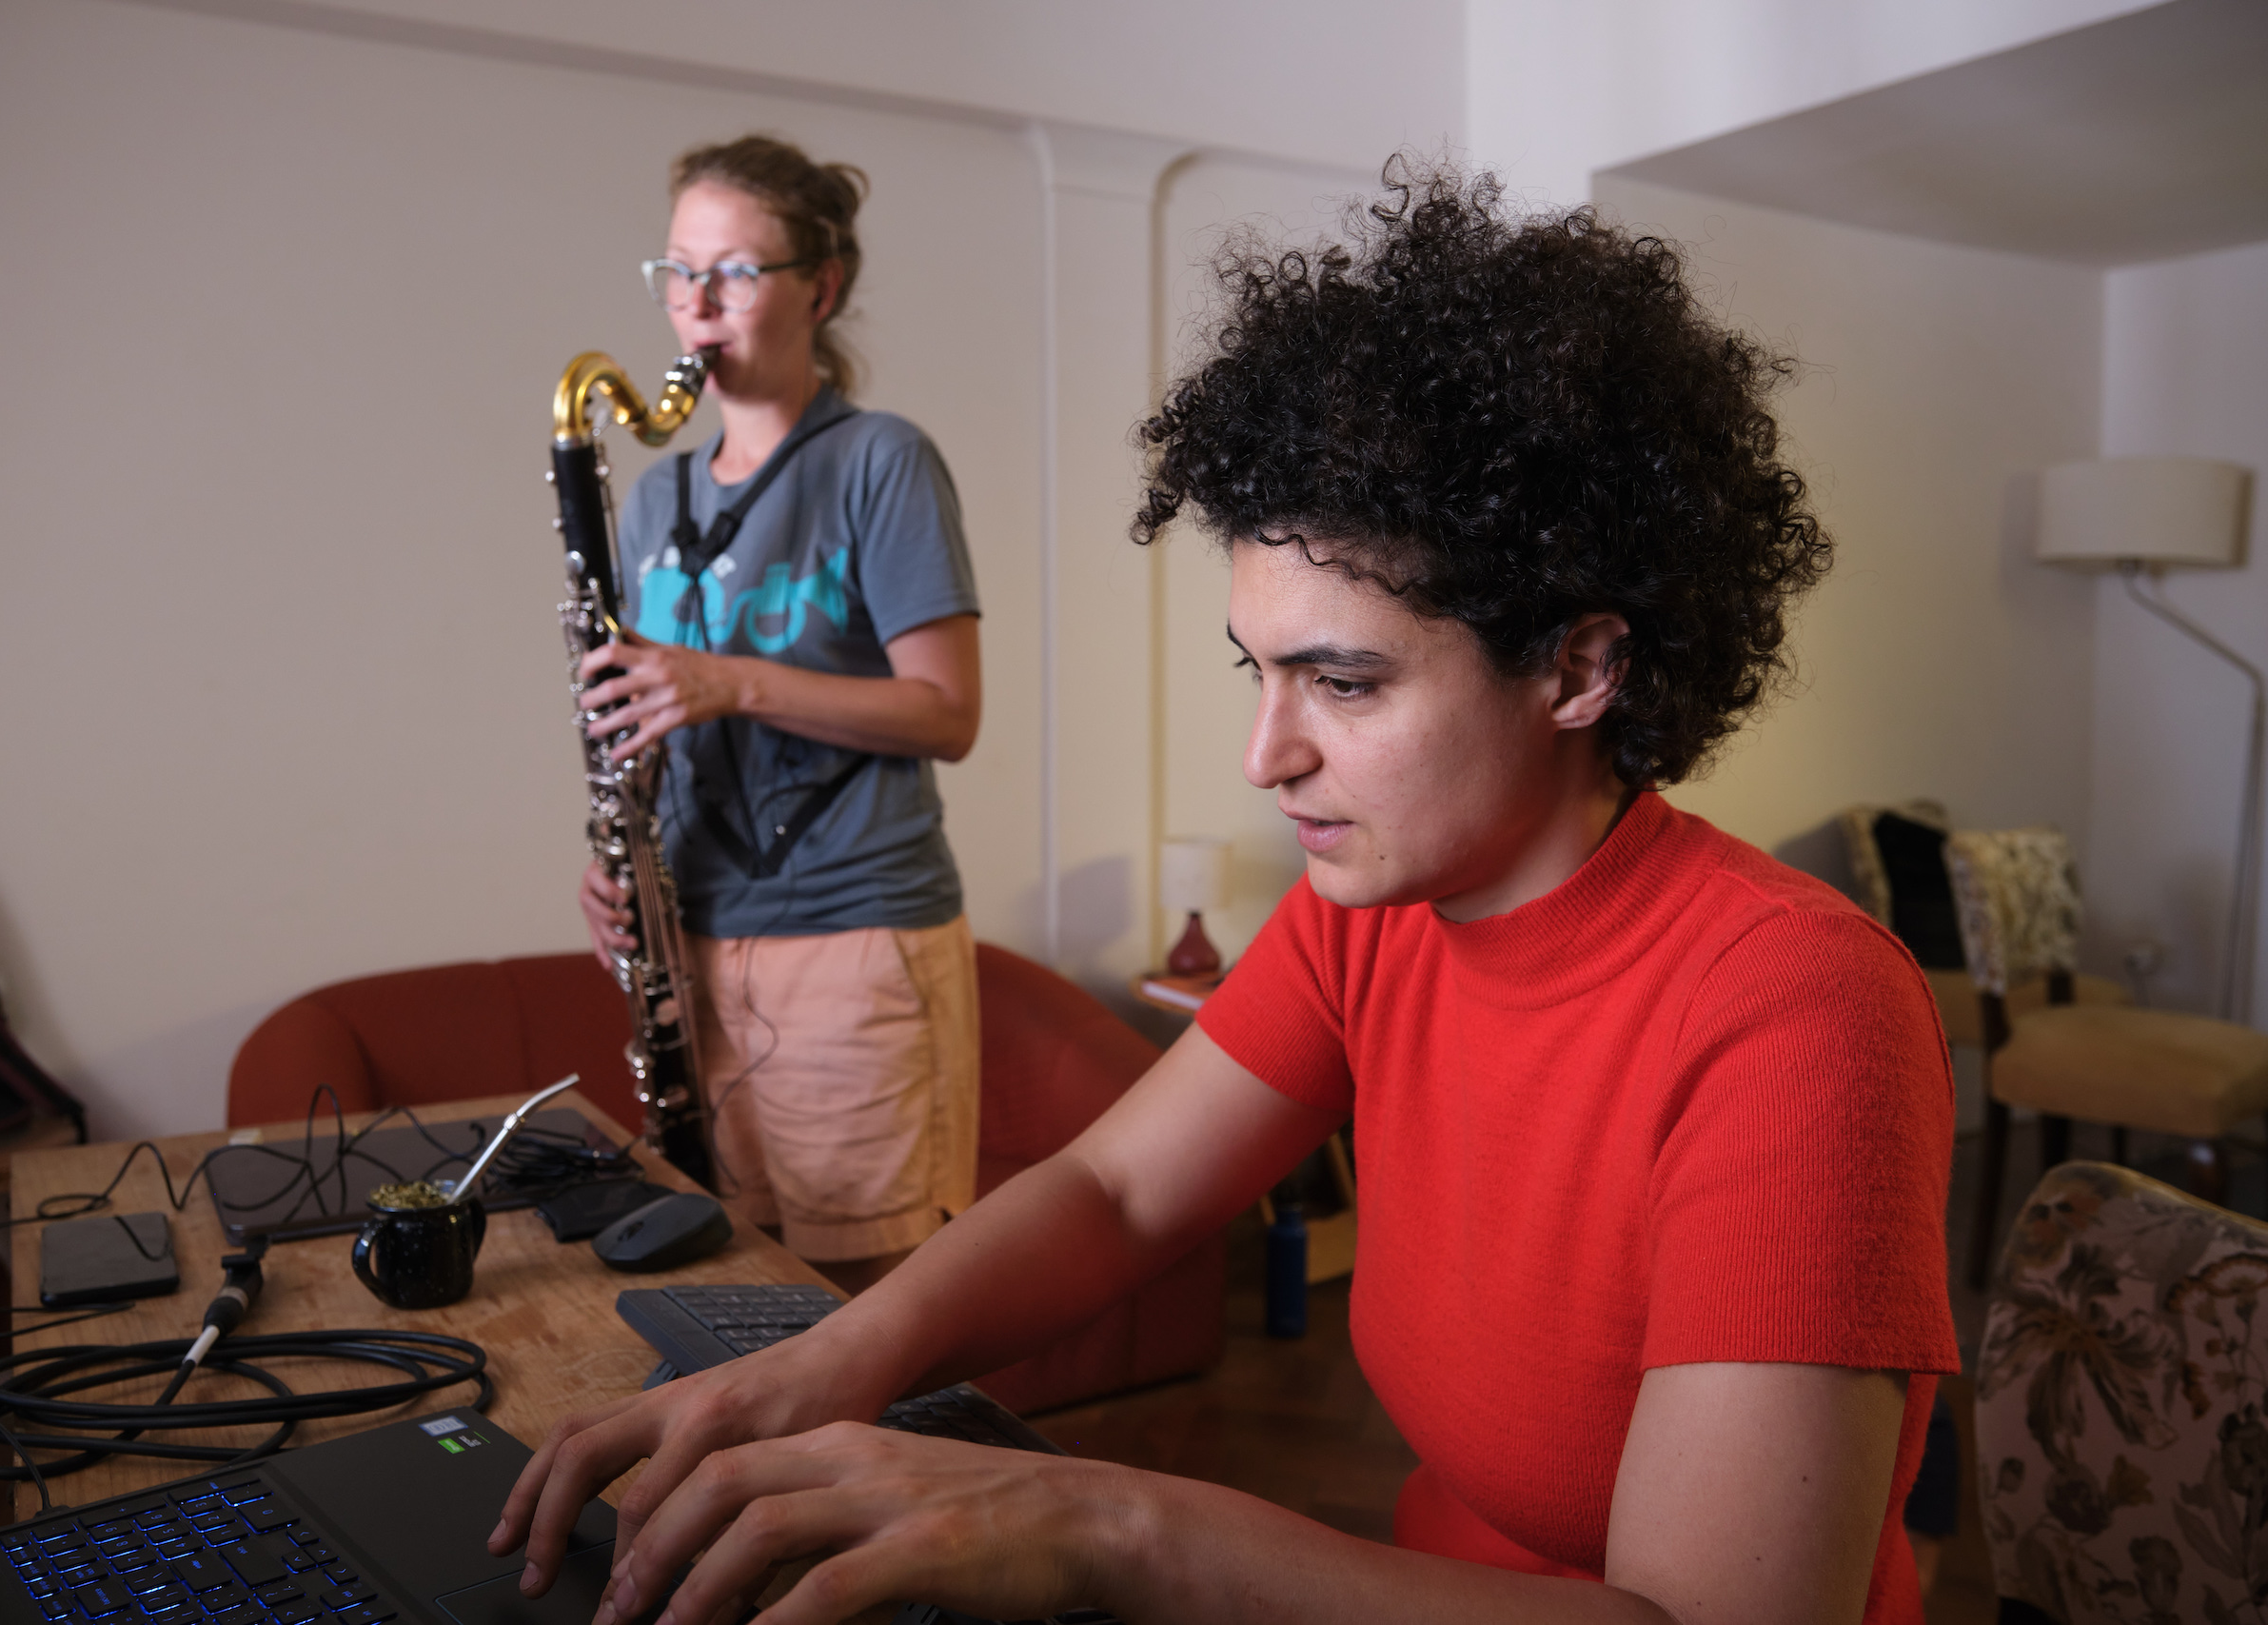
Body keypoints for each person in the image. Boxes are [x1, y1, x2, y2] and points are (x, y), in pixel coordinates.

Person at [502, 162, 1959, 1625]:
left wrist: (1117, 1520)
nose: (1267, 756)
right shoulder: (1373, 914)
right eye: (1257, 670)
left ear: (1582, 667)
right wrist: (823, 1357)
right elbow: (1116, 1190)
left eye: (1345, 681)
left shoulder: (1796, 1009)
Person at [576, 135, 984, 1296]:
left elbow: (948, 714)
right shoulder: (653, 497)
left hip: (853, 945)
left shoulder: (880, 461)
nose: (695, 303)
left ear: (822, 286)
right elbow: (643, 717)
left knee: (868, 1313)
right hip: (694, 944)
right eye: (677, 269)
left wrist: (729, 680)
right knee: (739, 1294)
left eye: (735, 272)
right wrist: (610, 863)